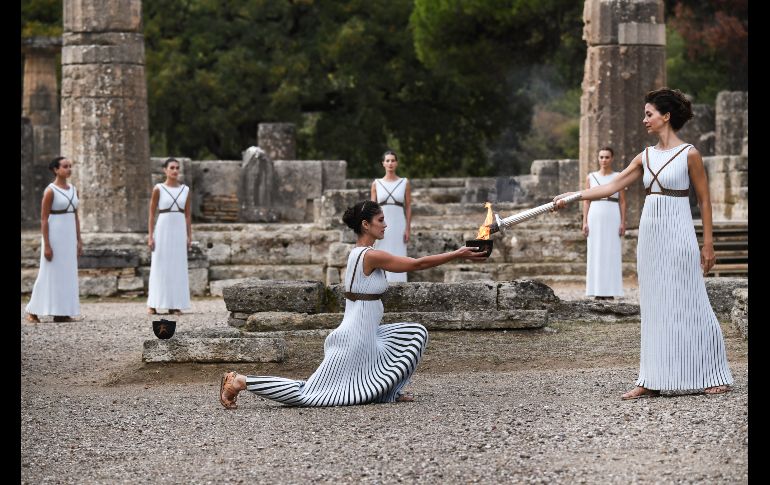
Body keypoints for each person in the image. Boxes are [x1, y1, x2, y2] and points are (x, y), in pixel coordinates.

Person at [553, 88, 733, 399]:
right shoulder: (645, 156)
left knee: (692, 301)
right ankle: (651, 378)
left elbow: (704, 201)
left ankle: (713, 372)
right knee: (653, 304)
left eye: (649, 114)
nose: (644, 119)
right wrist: (575, 196)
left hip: (679, 231)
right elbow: (611, 185)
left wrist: (708, 245)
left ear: (666, 116)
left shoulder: (689, 153)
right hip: (651, 236)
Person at [219, 200, 487, 409]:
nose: (385, 225)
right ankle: (239, 381)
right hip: (354, 339)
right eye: (380, 220)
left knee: (415, 333)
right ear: (366, 225)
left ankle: (387, 392)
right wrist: (458, 253)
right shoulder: (369, 255)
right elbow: (416, 264)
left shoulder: (359, 253)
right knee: (310, 394)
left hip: (367, 336)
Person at [25, 157, 82, 323]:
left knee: (67, 274)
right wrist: (47, 245)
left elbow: (75, 217)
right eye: (65, 166)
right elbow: (44, 219)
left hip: (68, 237)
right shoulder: (50, 191)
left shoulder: (74, 190)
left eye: (70, 166)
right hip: (54, 237)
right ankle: (32, 311)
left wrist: (79, 240)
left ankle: (62, 312)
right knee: (48, 273)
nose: (69, 169)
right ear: (56, 170)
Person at [147, 158, 192, 315]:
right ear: (165, 170)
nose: (175, 170)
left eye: (177, 168)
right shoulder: (158, 189)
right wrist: (150, 236)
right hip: (162, 230)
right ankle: (153, 304)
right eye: (171, 167)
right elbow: (151, 214)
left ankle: (174, 304)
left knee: (177, 266)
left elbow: (188, 215)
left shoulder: (185, 190)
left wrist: (189, 236)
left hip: (179, 230)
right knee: (159, 265)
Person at [583, 147, 626, 300]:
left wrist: (623, 222)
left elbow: (622, 201)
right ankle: (596, 290)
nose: (604, 160)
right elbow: (586, 201)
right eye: (601, 157)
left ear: (612, 158)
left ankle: (611, 290)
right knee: (595, 251)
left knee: (612, 251)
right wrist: (585, 221)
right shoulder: (591, 177)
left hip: (612, 215)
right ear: (598, 158)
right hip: (595, 215)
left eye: (607, 157)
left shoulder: (618, 177)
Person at [370, 150, 411, 282]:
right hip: (381, 225)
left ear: (396, 163)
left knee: (399, 255)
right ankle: (380, 284)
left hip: (399, 224)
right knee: (381, 254)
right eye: (387, 160)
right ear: (383, 163)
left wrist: (408, 228)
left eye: (393, 160)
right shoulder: (376, 183)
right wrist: (372, 229)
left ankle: (400, 285)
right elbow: (371, 209)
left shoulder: (404, 182)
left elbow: (408, 206)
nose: (390, 163)